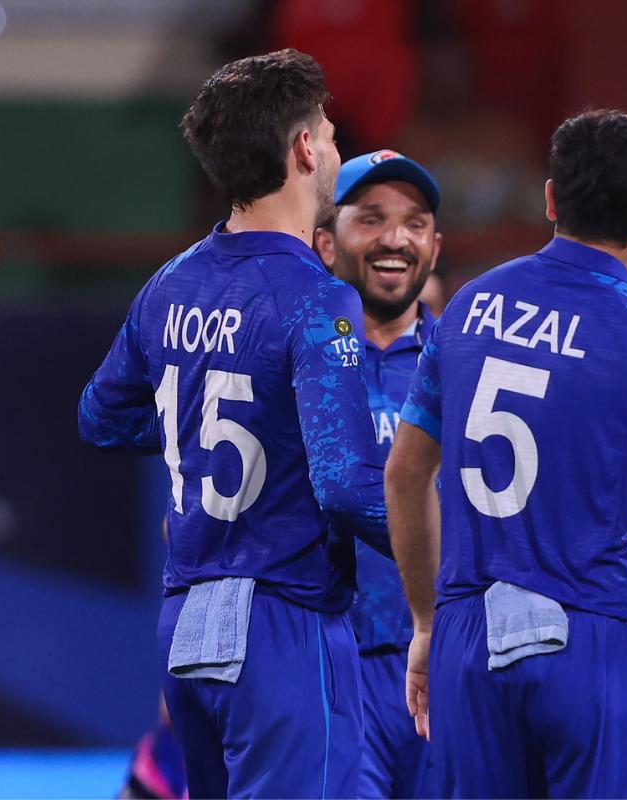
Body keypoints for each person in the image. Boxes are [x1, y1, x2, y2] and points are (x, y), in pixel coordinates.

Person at [385, 110, 627, 797]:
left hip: (468, 638)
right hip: (595, 643)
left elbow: (403, 474)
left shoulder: (469, 303)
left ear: (550, 197)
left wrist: (426, 622)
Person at [78, 49, 387, 798]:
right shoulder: (318, 299)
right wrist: (459, 540)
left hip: (186, 626)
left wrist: (213, 425)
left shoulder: (169, 283)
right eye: (332, 131)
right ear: (304, 148)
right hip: (283, 623)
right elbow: (347, 488)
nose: (337, 146)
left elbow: (101, 416)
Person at [313, 149, 442, 799]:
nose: (396, 238)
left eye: (415, 223)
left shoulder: (478, 366)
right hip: (328, 669)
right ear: (325, 243)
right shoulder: (295, 367)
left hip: (450, 668)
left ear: (436, 246)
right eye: (370, 218)